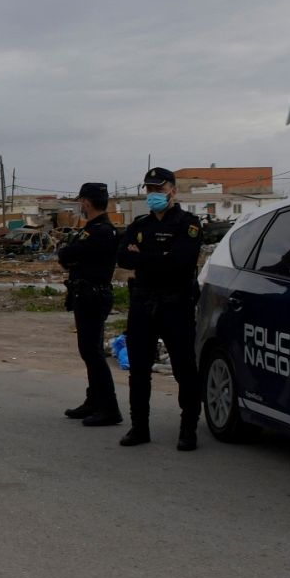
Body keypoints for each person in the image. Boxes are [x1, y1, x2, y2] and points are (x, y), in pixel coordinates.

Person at [117, 166, 204, 450]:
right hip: (143, 303)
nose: (154, 194)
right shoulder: (140, 225)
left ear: (173, 190)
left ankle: (188, 429)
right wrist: (158, 257)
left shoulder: (187, 224)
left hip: (175, 305)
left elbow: (181, 262)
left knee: (184, 369)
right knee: (139, 370)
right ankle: (139, 427)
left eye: (159, 188)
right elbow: (123, 259)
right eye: (150, 189)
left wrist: (144, 257)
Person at [58, 182, 121, 427]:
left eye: (81, 201)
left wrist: (70, 258)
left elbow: (67, 255)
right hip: (87, 294)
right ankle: (94, 400)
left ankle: (109, 407)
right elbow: (71, 256)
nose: (80, 206)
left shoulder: (99, 231)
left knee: (92, 352)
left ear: (87, 202)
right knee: (89, 351)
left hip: (92, 296)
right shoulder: (97, 229)